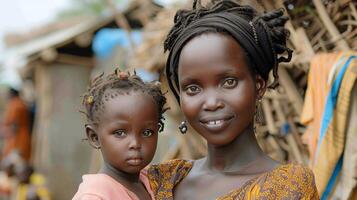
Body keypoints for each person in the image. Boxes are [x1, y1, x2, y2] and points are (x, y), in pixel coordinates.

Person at [147, 0, 319, 199]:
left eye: (228, 82)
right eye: (193, 88)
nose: (211, 103)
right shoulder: (160, 181)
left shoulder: (288, 188)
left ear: (259, 85)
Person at [72, 69, 167, 200]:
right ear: (94, 137)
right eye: (120, 133)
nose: (135, 144)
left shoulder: (154, 181)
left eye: (147, 132)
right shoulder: (95, 195)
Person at [1, 88, 31, 161]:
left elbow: (14, 124)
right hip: (23, 135)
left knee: (15, 160)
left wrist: (6, 133)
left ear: (11, 94)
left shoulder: (15, 105)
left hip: (17, 138)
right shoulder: (21, 103)